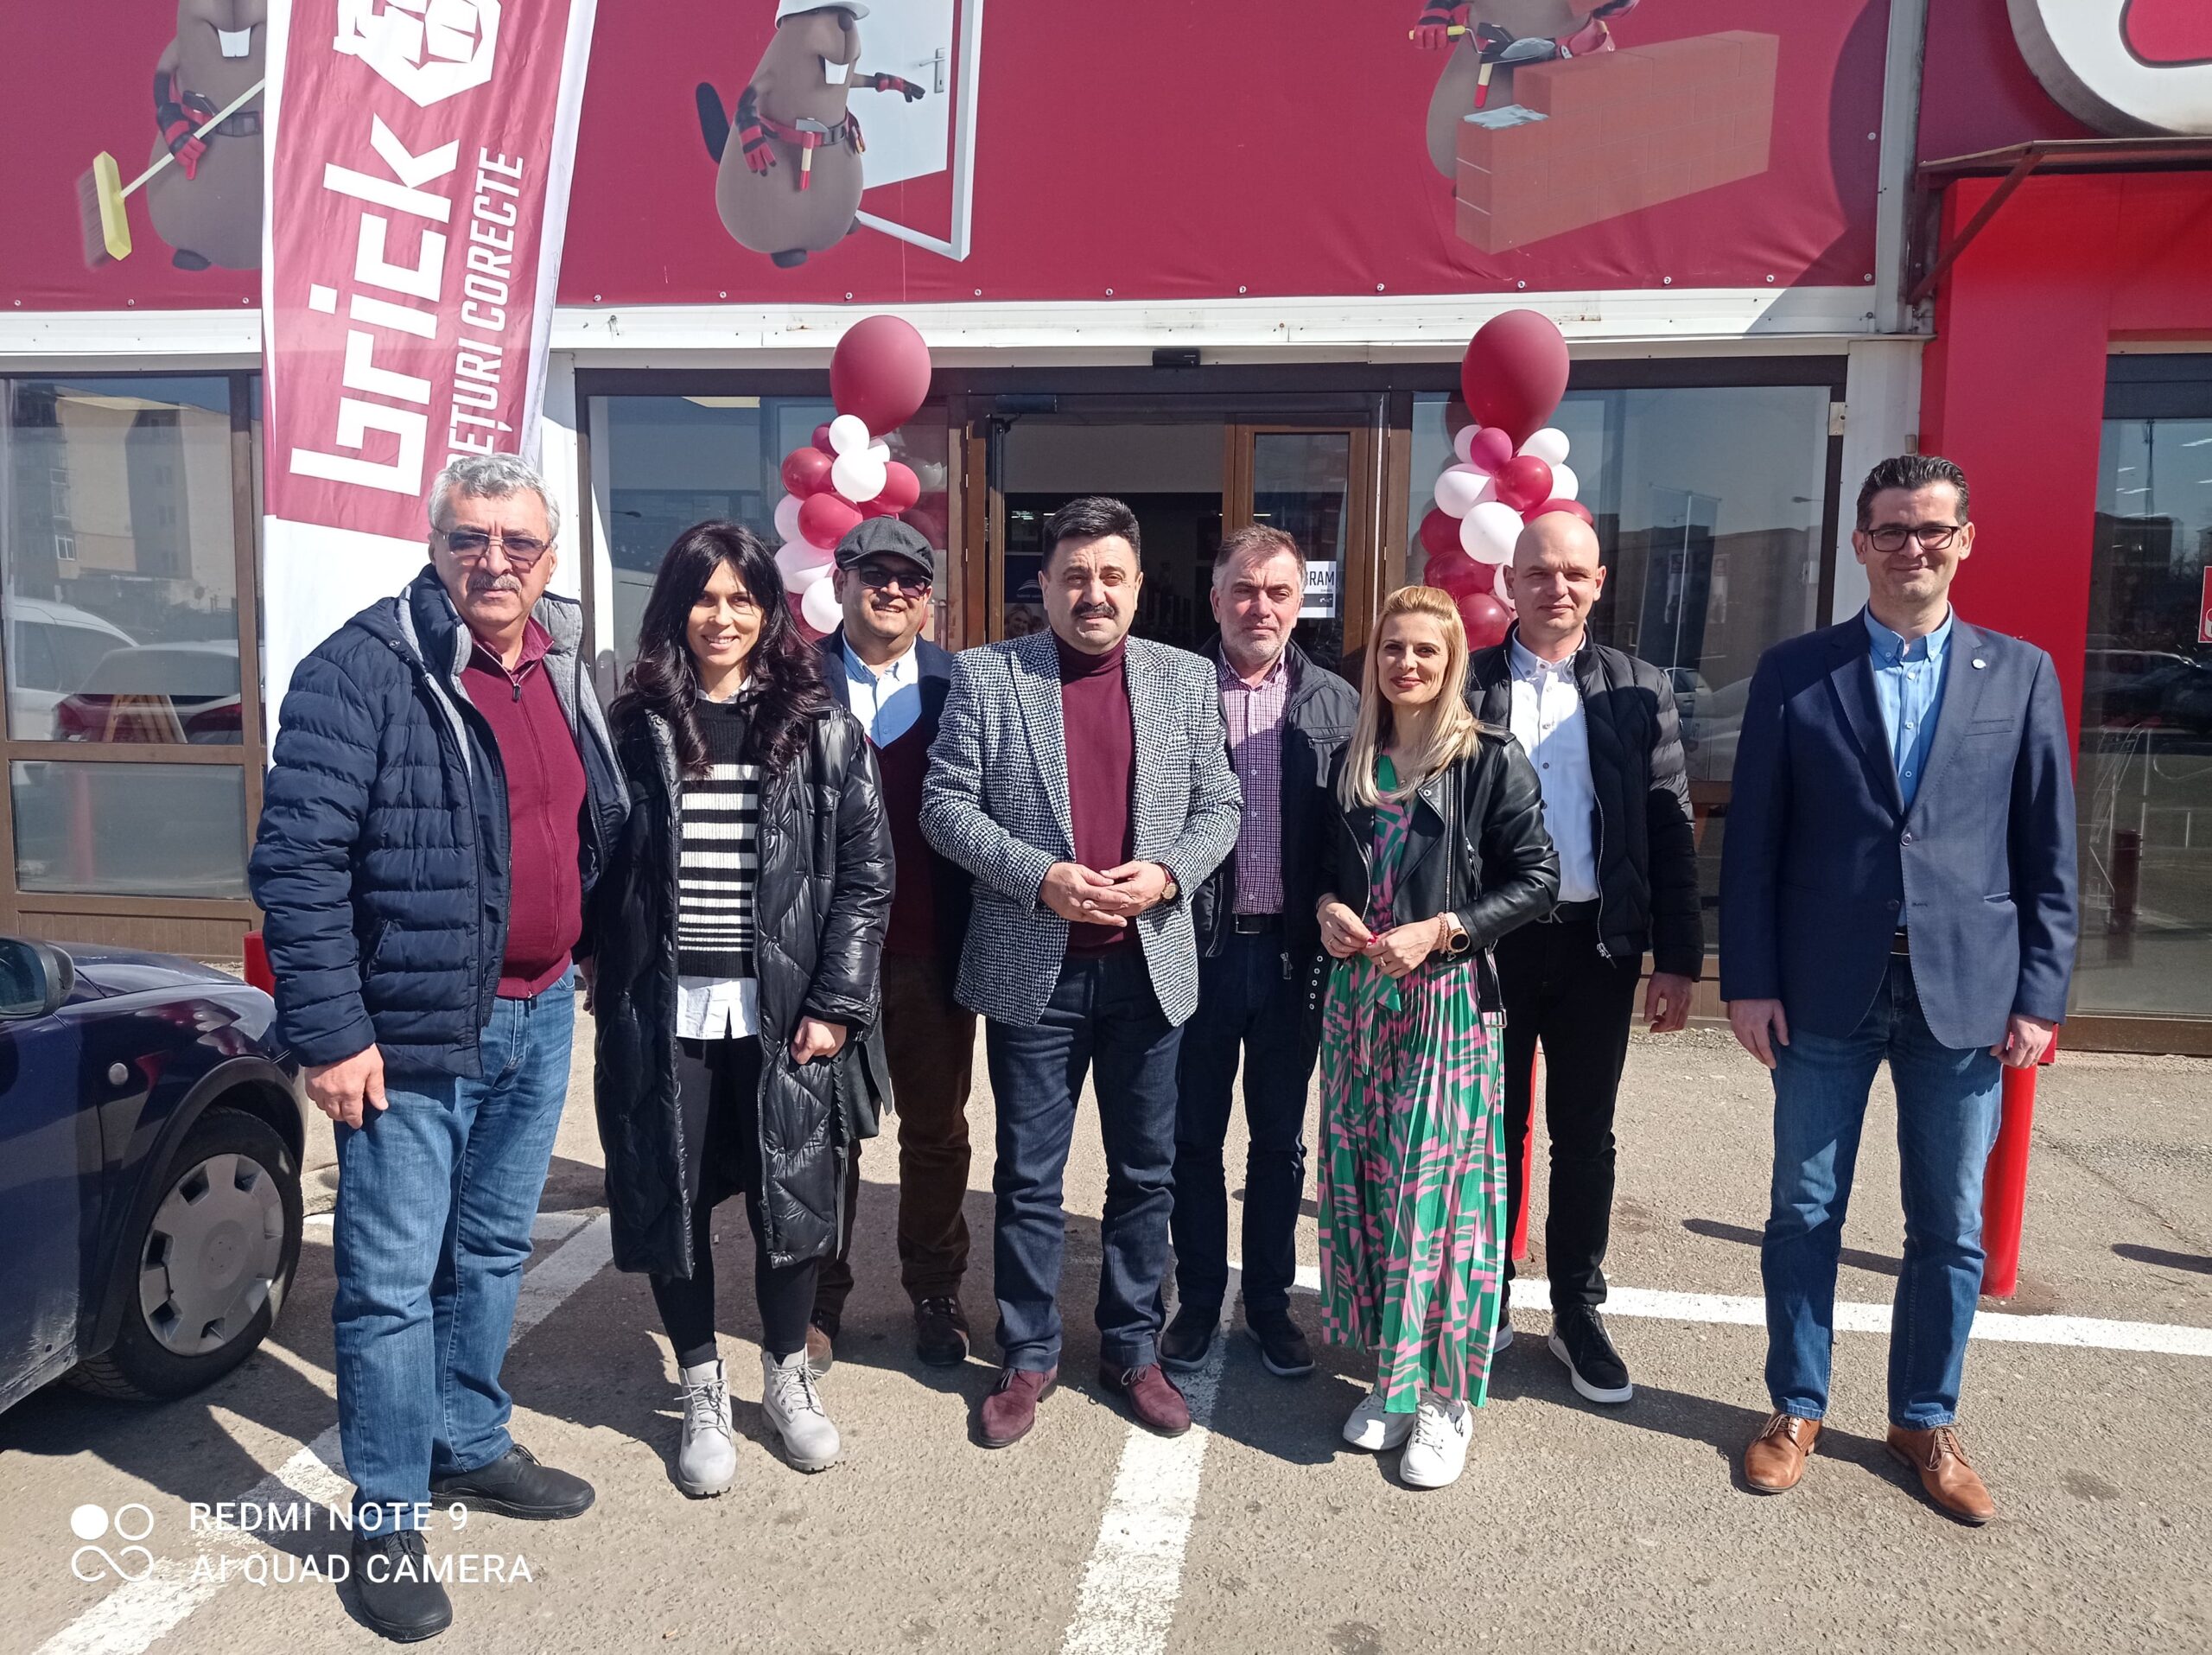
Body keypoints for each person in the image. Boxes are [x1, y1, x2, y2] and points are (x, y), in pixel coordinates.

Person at [249, 455, 627, 1644]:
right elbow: (297, 864)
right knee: (391, 1279)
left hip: (539, 1009)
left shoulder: (564, 663)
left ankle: (466, 1436)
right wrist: (333, 1032)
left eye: (518, 541)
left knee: (494, 1247)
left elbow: (585, 823)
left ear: (550, 557)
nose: (494, 561)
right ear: (435, 545)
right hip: (408, 1035)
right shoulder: (364, 668)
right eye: (471, 537)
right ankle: (387, 1513)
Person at [1722, 455, 2077, 1524]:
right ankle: (1795, 1405)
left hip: (1964, 995)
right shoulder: (1796, 672)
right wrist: (1749, 980)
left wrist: (2040, 995)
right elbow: (1753, 844)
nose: (1910, 547)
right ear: (1859, 544)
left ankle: (1923, 1417)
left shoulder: (2020, 673)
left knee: (1949, 1223)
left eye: (1930, 529)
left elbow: (2046, 849)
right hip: (1822, 989)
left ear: (1963, 540)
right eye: (1890, 530)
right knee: (1803, 1208)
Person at [921, 495, 1242, 1448]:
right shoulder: (989, 676)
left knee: (1146, 1173)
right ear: (1046, 584)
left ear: (1138, 585)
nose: (1092, 593)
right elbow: (944, 805)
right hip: (1037, 974)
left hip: (1150, 971)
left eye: (1110, 575)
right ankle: (1027, 1353)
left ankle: (1131, 1346)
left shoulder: (1185, 678)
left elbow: (1220, 804)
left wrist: (1170, 871)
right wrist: (1040, 877)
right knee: (1028, 1176)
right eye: (1073, 575)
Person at [589, 522, 893, 1493]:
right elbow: (595, 862)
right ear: (675, 608)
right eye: (703, 597)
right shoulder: (631, 726)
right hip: (666, 1008)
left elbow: (866, 878)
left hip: (786, 1008)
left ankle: (787, 1376)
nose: (721, 617)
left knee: (789, 1197)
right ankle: (702, 1384)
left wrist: (837, 1002)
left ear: (768, 611)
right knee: (670, 1196)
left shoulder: (821, 726)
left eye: (741, 599)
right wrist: (598, 968)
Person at [1314, 583, 1556, 1490]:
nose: (1406, 663)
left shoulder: (1487, 757)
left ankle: (1448, 1399)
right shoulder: (1353, 760)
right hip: (1358, 1005)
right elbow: (1327, 872)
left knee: (1442, 1203)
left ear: (1453, 660)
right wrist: (1327, 909)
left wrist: (1446, 929)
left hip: (1445, 1003)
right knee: (1374, 1190)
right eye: (1392, 648)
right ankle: (1393, 1374)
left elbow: (1538, 878)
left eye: (1425, 649)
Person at [1468, 511, 1702, 1404]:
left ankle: (1576, 1308)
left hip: (1597, 945)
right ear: (1509, 582)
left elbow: (1669, 826)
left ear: (1599, 584)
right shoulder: (1467, 681)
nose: (1555, 587)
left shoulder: (1639, 689)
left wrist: (1677, 957)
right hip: (1489, 946)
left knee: (1584, 1134)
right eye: (1537, 572)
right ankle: (1483, 1295)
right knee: (1486, 1131)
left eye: (1573, 573)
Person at [1160, 525, 1357, 1379]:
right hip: (1196, 953)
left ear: (1299, 602)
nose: (1260, 607)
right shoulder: (1170, 689)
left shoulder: (1339, 703)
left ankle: (1270, 1305)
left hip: (1289, 961)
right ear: (1216, 600)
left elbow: (1356, 835)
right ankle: (1200, 1299)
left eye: (1278, 592)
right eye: (1244, 590)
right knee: (1191, 1140)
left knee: (1278, 1144)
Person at [809, 518, 979, 1371]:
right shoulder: (793, 681)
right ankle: (816, 1296)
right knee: (823, 1132)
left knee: (936, 1131)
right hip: (822, 952)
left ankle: (935, 1287)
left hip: (933, 948)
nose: (893, 591)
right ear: (840, 581)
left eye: (911, 579)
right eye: (875, 574)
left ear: (928, 597)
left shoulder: (963, 685)